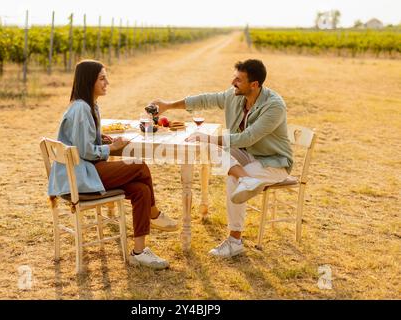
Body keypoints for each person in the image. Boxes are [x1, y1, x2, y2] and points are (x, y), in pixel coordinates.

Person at [151, 59, 293, 258]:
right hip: (247, 155)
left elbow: (248, 137)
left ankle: (235, 241)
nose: (233, 82)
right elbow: (205, 99)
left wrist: (210, 137)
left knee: (232, 179)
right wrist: (168, 105)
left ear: (254, 84)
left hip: (273, 162)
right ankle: (246, 178)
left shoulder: (274, 106)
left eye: (238, 79)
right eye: (234, 76)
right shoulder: (235, 95)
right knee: (207, 146)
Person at [48, 59, 178, 270]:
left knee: (141, 190)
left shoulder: (89, 106)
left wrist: (100, 137)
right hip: (80, 176)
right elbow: (84, 152)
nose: (107, 82)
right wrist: (112, 146)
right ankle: (154, 214)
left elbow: (84, 141)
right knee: (140, 167)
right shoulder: (81, 108)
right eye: (102, 78)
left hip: (85, 171)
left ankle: (139, 252)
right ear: (89, 81)